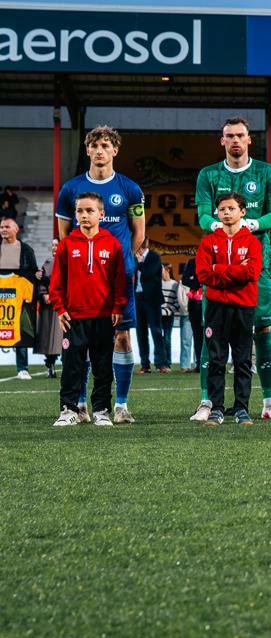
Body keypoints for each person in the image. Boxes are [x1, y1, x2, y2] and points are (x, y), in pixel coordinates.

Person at [192, 117, 271, 421]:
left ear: (249, 140)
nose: (235, 140)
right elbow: (204, 218)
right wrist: (222, 225)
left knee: (263, 330)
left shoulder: (266, 172)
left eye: (240, 135)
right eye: (229, 136)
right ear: (222, 141)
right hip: (219, 269)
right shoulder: (208, 174)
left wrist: (250, 224)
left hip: (256, 268)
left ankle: (268, 402)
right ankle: (207, 403)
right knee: (212, 335)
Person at [55, 125, 145, 422]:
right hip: (82, 283)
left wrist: (123, 262)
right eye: (95, 145)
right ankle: (79, 406)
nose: (100, 150)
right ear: (87, 150)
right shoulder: (70, 189)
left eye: (106, 145)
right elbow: (65, 237)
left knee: (121, 339)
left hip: (118, 281)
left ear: (115, 150)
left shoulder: (130, 189)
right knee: (80, 343)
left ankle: (119, 405)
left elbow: (139, 233)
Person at [50, 192, 127, 427]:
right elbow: (57, 281)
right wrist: (59, 306)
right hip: (74, 317)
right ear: (74, 214)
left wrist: (117, 306)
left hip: (103, 316)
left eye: (90, 210)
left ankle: (101, 410)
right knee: (72, 365)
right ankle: (69, 409)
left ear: (101, 214)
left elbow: (119, 281)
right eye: (80, 211)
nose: (84, 215)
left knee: (103, 366)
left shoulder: (112, 244)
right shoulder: (66, 244)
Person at [196, 191, 262, 425]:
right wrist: (235, 270)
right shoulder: (208, 241)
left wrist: (219, 269)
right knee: (217, 359)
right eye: (222, 209)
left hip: (243, 307)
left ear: (242, 212)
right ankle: (217, 408)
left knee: (243, 360)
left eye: (231, 208)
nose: (226, 213)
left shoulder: (252, 242)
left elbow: (252, 273)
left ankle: (242, 408)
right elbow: (203, 274)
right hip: (216, 308)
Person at [0, 217, 40, 380]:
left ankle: (22, 368)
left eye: (7, 227)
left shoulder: (27, 250)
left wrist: (36, 275)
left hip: (19, 293)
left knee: (19, 330)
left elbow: (34, 271)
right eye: (1, 227)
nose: (3, 229)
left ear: (16, 229)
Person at [134, 245, 170, 372]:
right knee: (141, 333)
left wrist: (139, 263)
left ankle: (161, 364)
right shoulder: (133, 256)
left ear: (143, 246)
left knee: (156, 332)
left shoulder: (154, 257)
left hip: (152, 300)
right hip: (137, 298)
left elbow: (149, 273)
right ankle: (145, 365)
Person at [181, 258, 203, 371]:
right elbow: (184, 280)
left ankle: (212, 363)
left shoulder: (214, 259)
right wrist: (198, 282)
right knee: (197, 335)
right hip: (194, 303)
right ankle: (200, 363)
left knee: (211, 335)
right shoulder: (192, 262)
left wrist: (195, 279)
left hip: (210, 302)